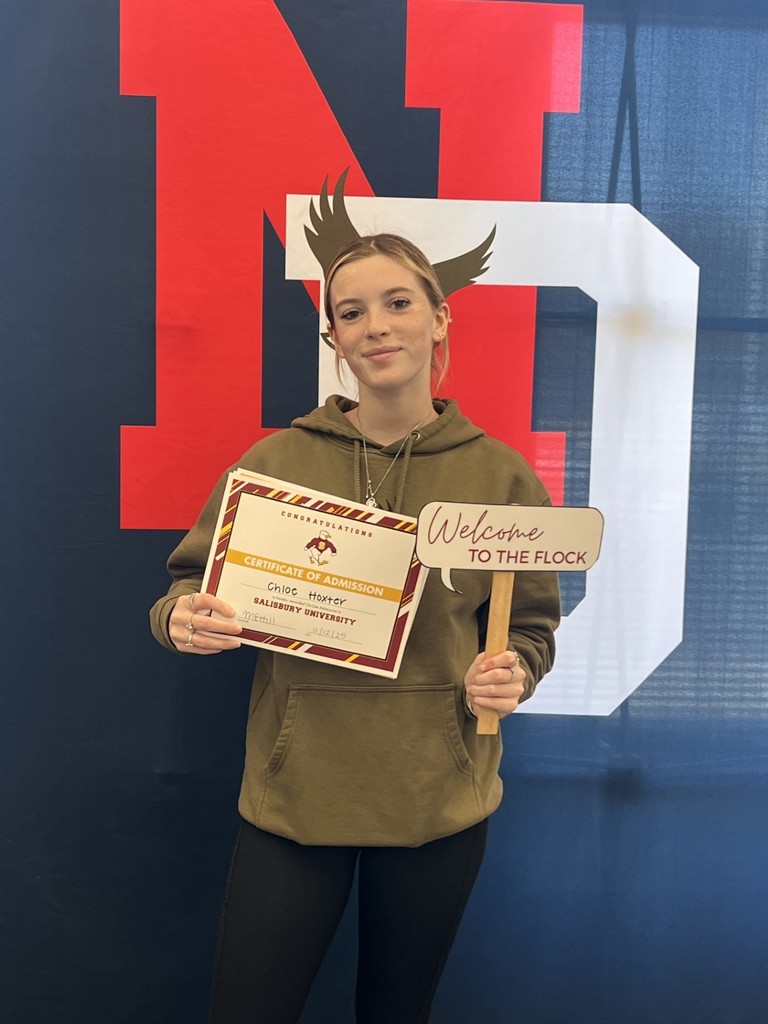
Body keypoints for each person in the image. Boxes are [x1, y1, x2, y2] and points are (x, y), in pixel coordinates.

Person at [149, 233, 560, 1024]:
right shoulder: (273, 464)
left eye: (398, 303)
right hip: (295, 796)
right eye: (352, 312)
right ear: (333, 338)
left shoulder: (501, 477)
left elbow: (532, 628)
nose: (377, 325)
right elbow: (183, 590)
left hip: (437, 802)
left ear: (439, 320)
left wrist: (514, 672)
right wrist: (182, 622)